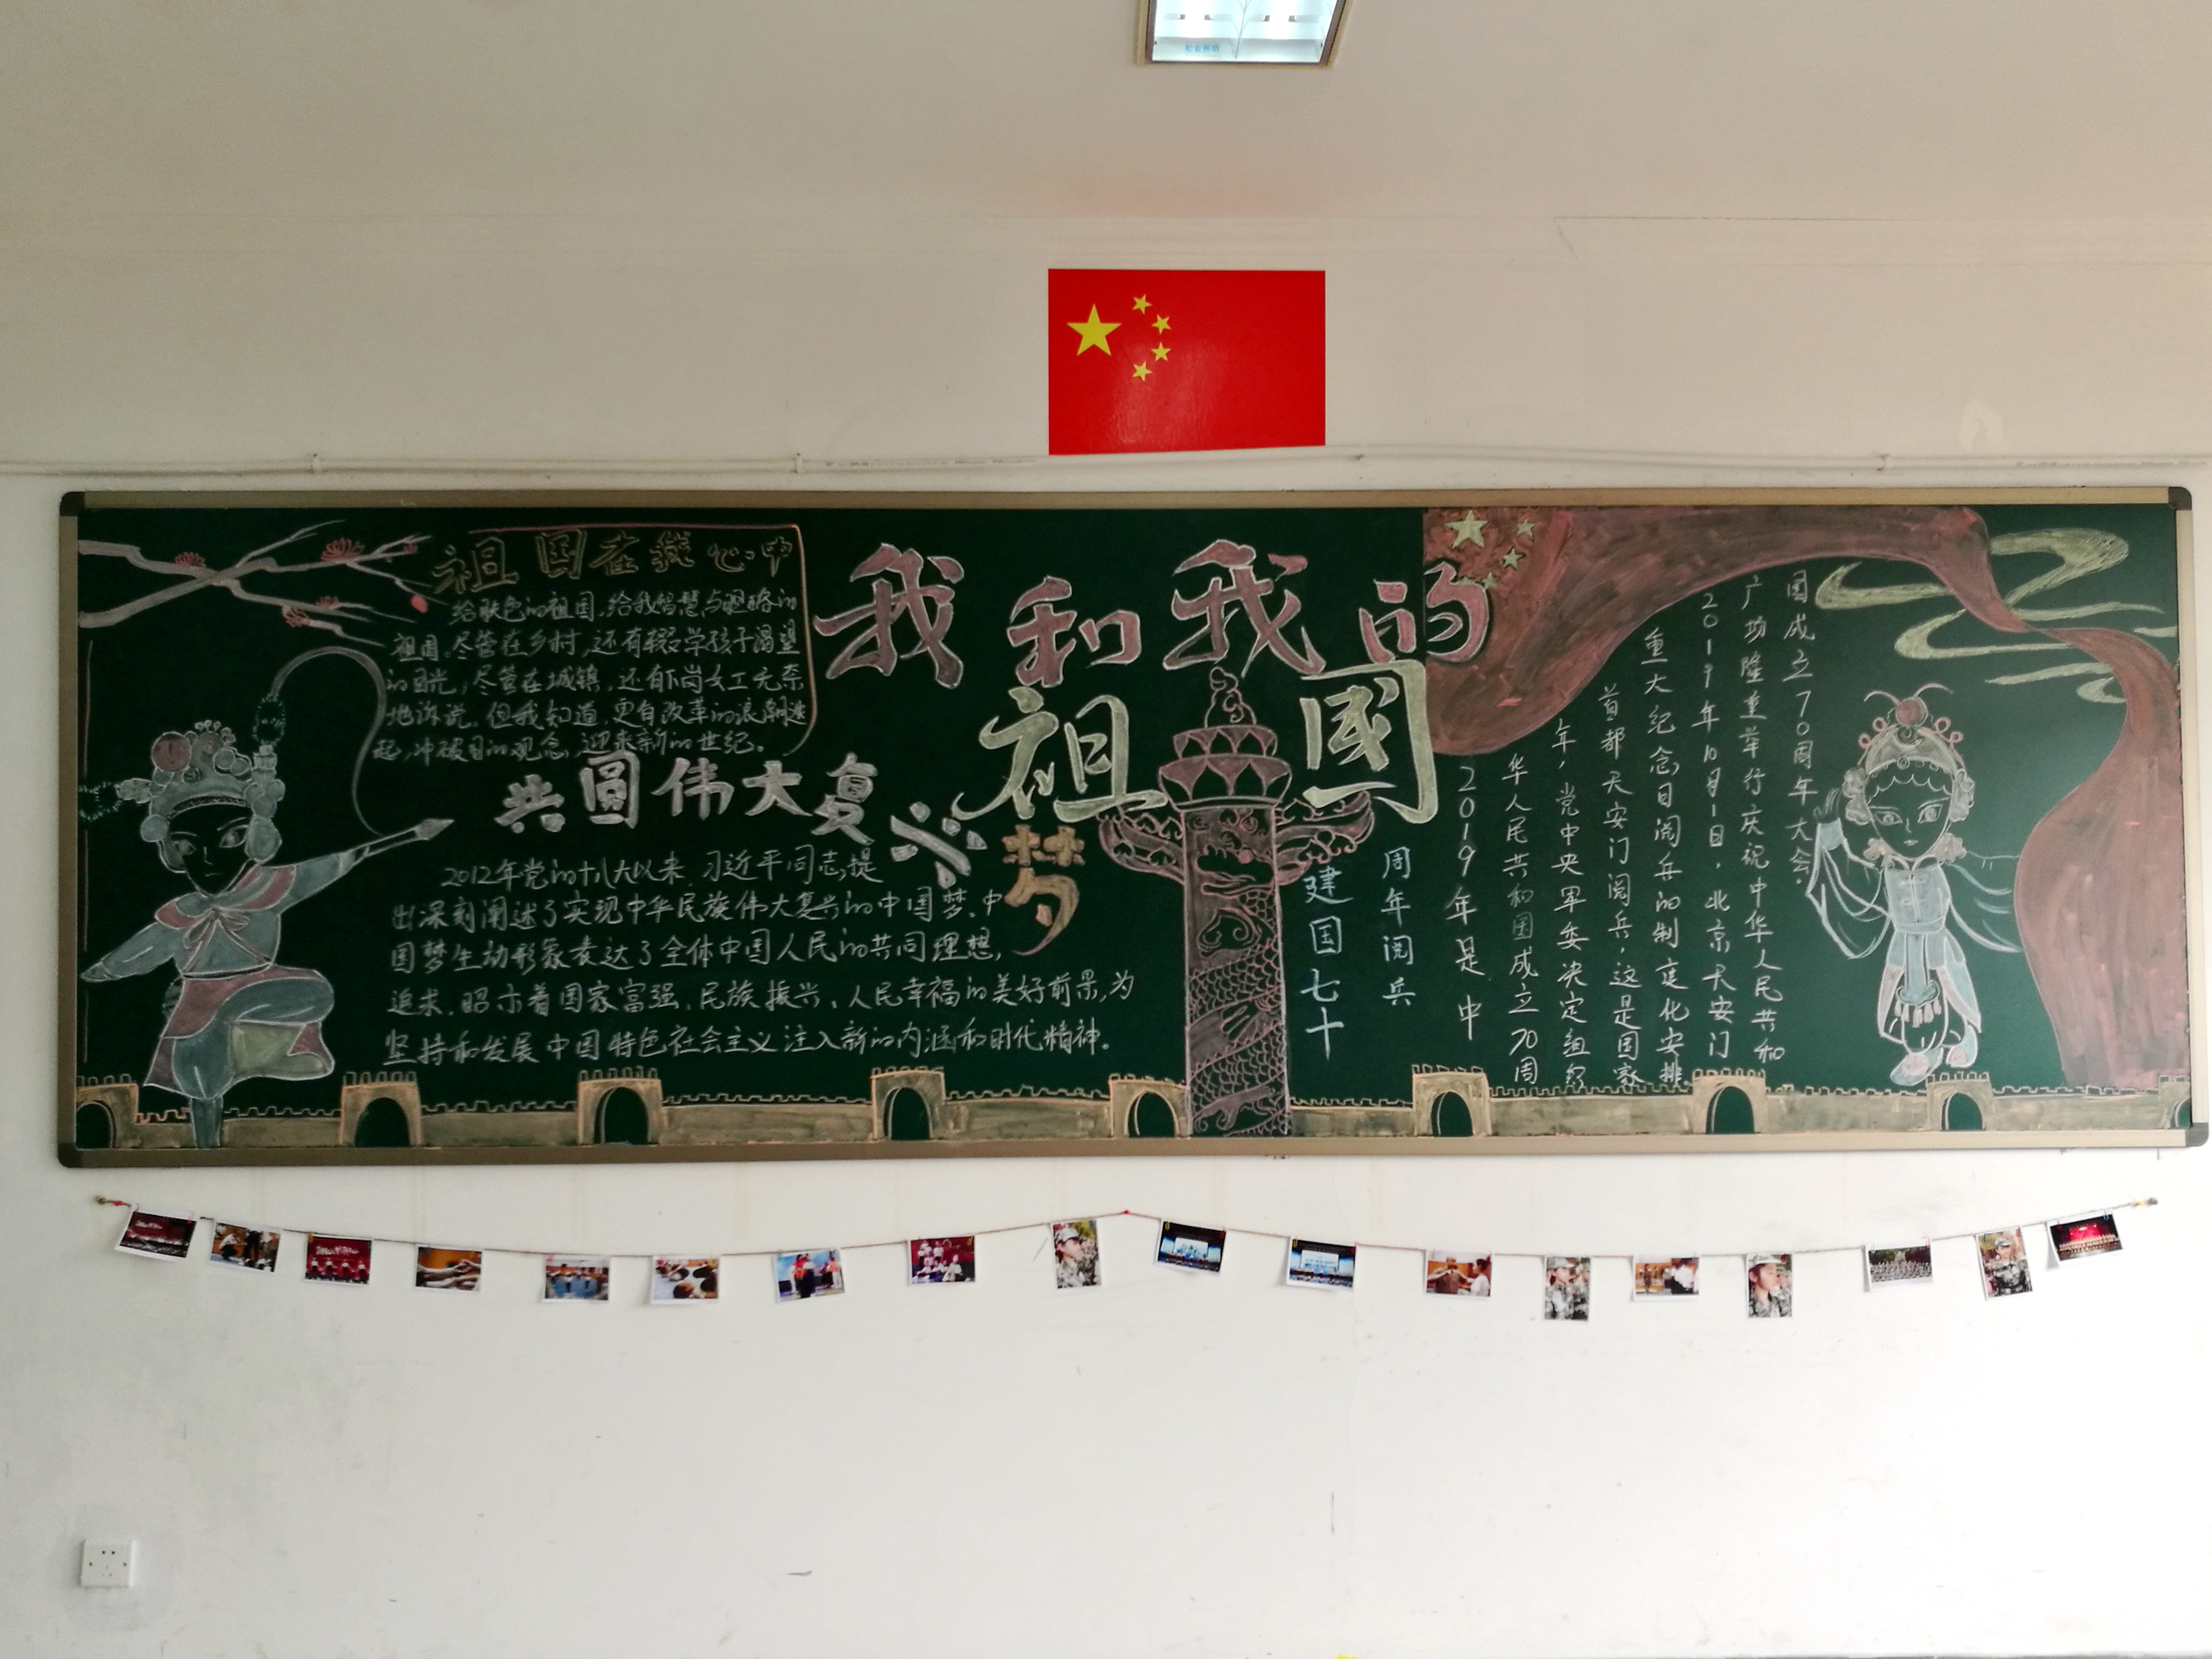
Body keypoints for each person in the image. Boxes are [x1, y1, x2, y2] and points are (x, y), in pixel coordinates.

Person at [83, 719, 448, 1149]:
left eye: (231, 838)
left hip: (259, 990)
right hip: (198, 1001)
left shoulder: (269, 887)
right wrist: (97, 972)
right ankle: (207, 1149)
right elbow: (137, 953)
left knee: (318, 992)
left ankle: (235, 1022)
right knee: (199, 1080)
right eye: (188, 847)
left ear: (254, 839)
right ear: (172, 852)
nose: (209, 860)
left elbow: (341, 862)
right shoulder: (183, 913)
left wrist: (410, 835)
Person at [1803, 688, 2020, 1086]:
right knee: (1903, 1004)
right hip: (1902, 947)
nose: (1908, 831)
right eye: (1888, 816)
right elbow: (1849, 882)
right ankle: (1921, 1050)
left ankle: (1963, 1036)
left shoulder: (1949, 863)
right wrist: (1830, 830)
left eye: (1929, 813)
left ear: (1953, 807)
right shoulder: (1885, 870)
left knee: (1952, 990)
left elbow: (1999, 879)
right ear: (1868, 813)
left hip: (1937, 943)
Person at [1746, 1254, 1792, 1318]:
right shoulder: (1746, 1306)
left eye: (1776, 1273)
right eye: (1771, 1273)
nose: (1776, 1278)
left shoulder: (1781, 1302)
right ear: (1753, 1276)